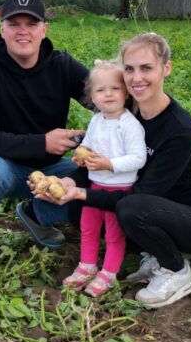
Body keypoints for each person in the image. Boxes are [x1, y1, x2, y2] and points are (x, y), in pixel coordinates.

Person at [21, 32, 191, 308]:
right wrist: (68, 181)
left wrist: (82, 193)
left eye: (146, 68)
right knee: (81, 209)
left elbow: (138, 194)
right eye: (129, 69)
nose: (137, 77)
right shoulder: (126, 112)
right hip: (154, 206)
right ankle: (152, 252)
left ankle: (176, 270)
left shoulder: (179, 130)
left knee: (128, 208)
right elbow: (99, 164)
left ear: (167, 68)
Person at [0, 0, 88, 263]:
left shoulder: (62, 66)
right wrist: (42, 142)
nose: (23, 32)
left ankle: (35, 214)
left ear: (44, 29)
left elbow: (107, 97)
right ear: (2, 29)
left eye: (31, 24)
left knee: (101, 181)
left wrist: (166, 120)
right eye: (14, 24)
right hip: (4, 167)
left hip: (51, 171)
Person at [62, 60, 147, 297]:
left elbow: (138, 159)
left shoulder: (130, 125)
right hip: (94, 187)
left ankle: (109, 273)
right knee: (88, 228)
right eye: (101, 90)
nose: (108, 94)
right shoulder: (96, 121)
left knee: (113, 234)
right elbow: (89, 143)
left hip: (119, 191)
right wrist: (81, 156)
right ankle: (87, 266)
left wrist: (110, 164)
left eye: (115, 88)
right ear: (92, 96)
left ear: (126, 92)